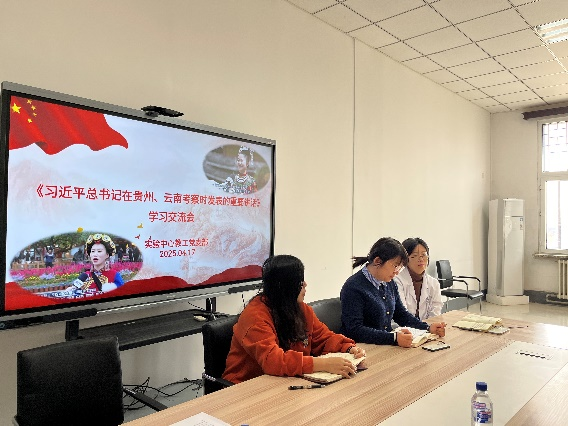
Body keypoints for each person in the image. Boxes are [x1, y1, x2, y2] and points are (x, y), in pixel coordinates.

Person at [223, 255, 366, 384]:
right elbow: (273, 361)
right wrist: (323, 364)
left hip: (285, 381)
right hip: (246, 386)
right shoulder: (255, 317)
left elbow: (323, 338)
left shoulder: (300, 308)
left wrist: (348, 348)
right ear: (285, 287)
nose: (305, 285)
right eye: (300, 282)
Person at [340, 237, 445, 348]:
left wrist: (427, 327)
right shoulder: (353, 287)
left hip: (385, 345)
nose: (397, 272)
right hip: (361, 348)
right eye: (395, 266)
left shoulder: (388, 282)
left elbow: (401, 314)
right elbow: (354, 330)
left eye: (399, 267)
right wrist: (394, 338)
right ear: (377, 261)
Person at [394, 237, 443, 320]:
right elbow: (402, 314)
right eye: (414, 256)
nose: (420, 259)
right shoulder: (397, 280)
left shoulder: (433, 283)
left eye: (423, 255)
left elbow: (436, 311)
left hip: (427, 326)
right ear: (405, 260)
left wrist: (430, 325)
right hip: (403, 326)